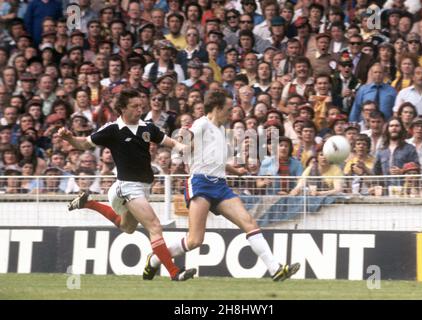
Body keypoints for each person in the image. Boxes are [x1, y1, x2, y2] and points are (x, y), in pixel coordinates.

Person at [143, 90, 300, 281]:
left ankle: (276, 269)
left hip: (220, 185)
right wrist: (184, 146)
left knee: (249, 222)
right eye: (228, 108)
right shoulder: (202, 123)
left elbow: (215, 159)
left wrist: (235, 171)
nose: (231, 112)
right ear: (217, 108)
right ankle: (155, 260)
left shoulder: (220, 130)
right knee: (194, 241)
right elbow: (185, 139)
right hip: (200, 182)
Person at [57, 89, 196, 281]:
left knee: (127, 227)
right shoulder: (112, 129)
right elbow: (83, 144)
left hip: (144, 187)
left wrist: (182, 147)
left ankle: (87, 203)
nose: (140, 110)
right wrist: (69, 138)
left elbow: (169, 141)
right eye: (135, 106)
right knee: (155, 226)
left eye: (141, 106)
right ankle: (174, 272)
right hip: (127, 187)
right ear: (122, 108)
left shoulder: (147, 127)